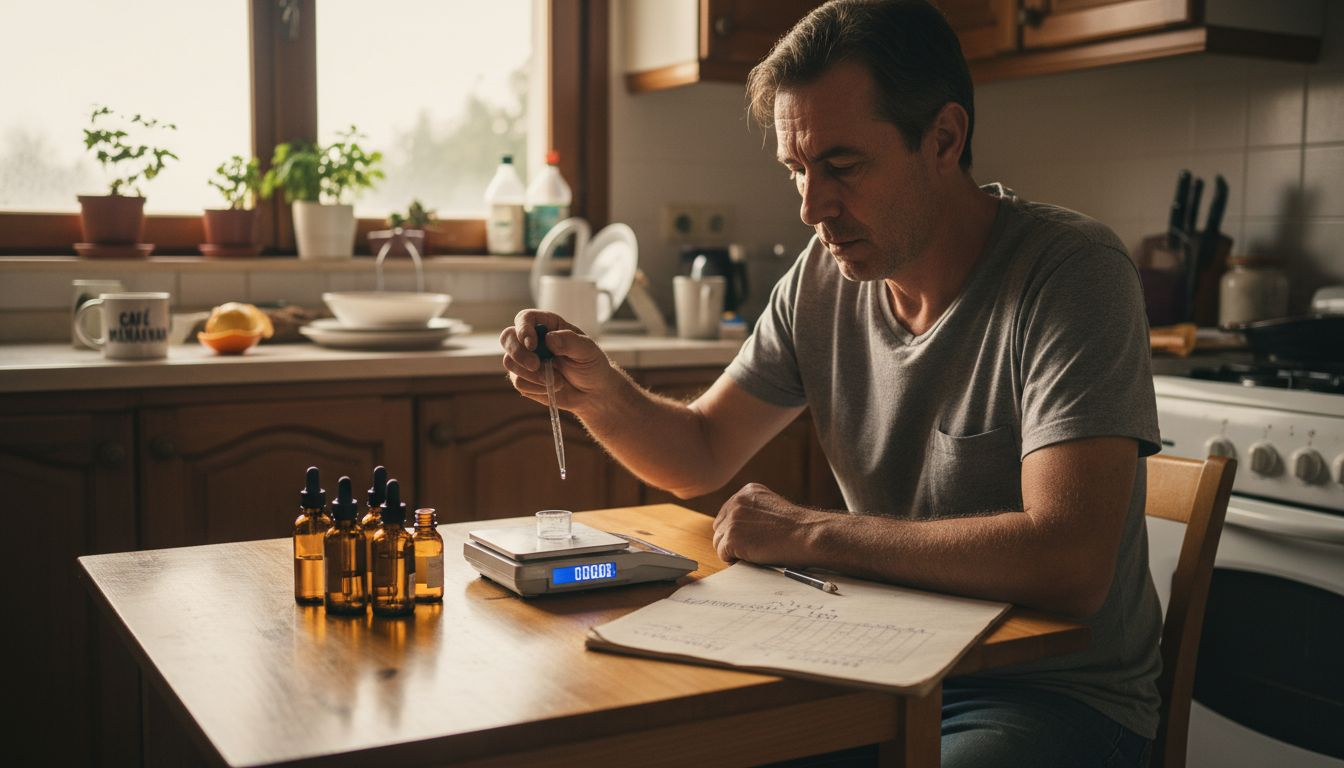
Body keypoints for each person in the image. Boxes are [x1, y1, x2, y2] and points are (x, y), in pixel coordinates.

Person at [500, 0, 1160, 764]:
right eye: (797, 169)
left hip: (1052, 698)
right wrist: (596, 391)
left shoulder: (1071, 273)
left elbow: (1070, 562)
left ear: (944, 140)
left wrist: (810, 534)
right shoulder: (824, 277)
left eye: (842, 167)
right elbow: (701, 451)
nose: (814, 207)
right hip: (882, 670)